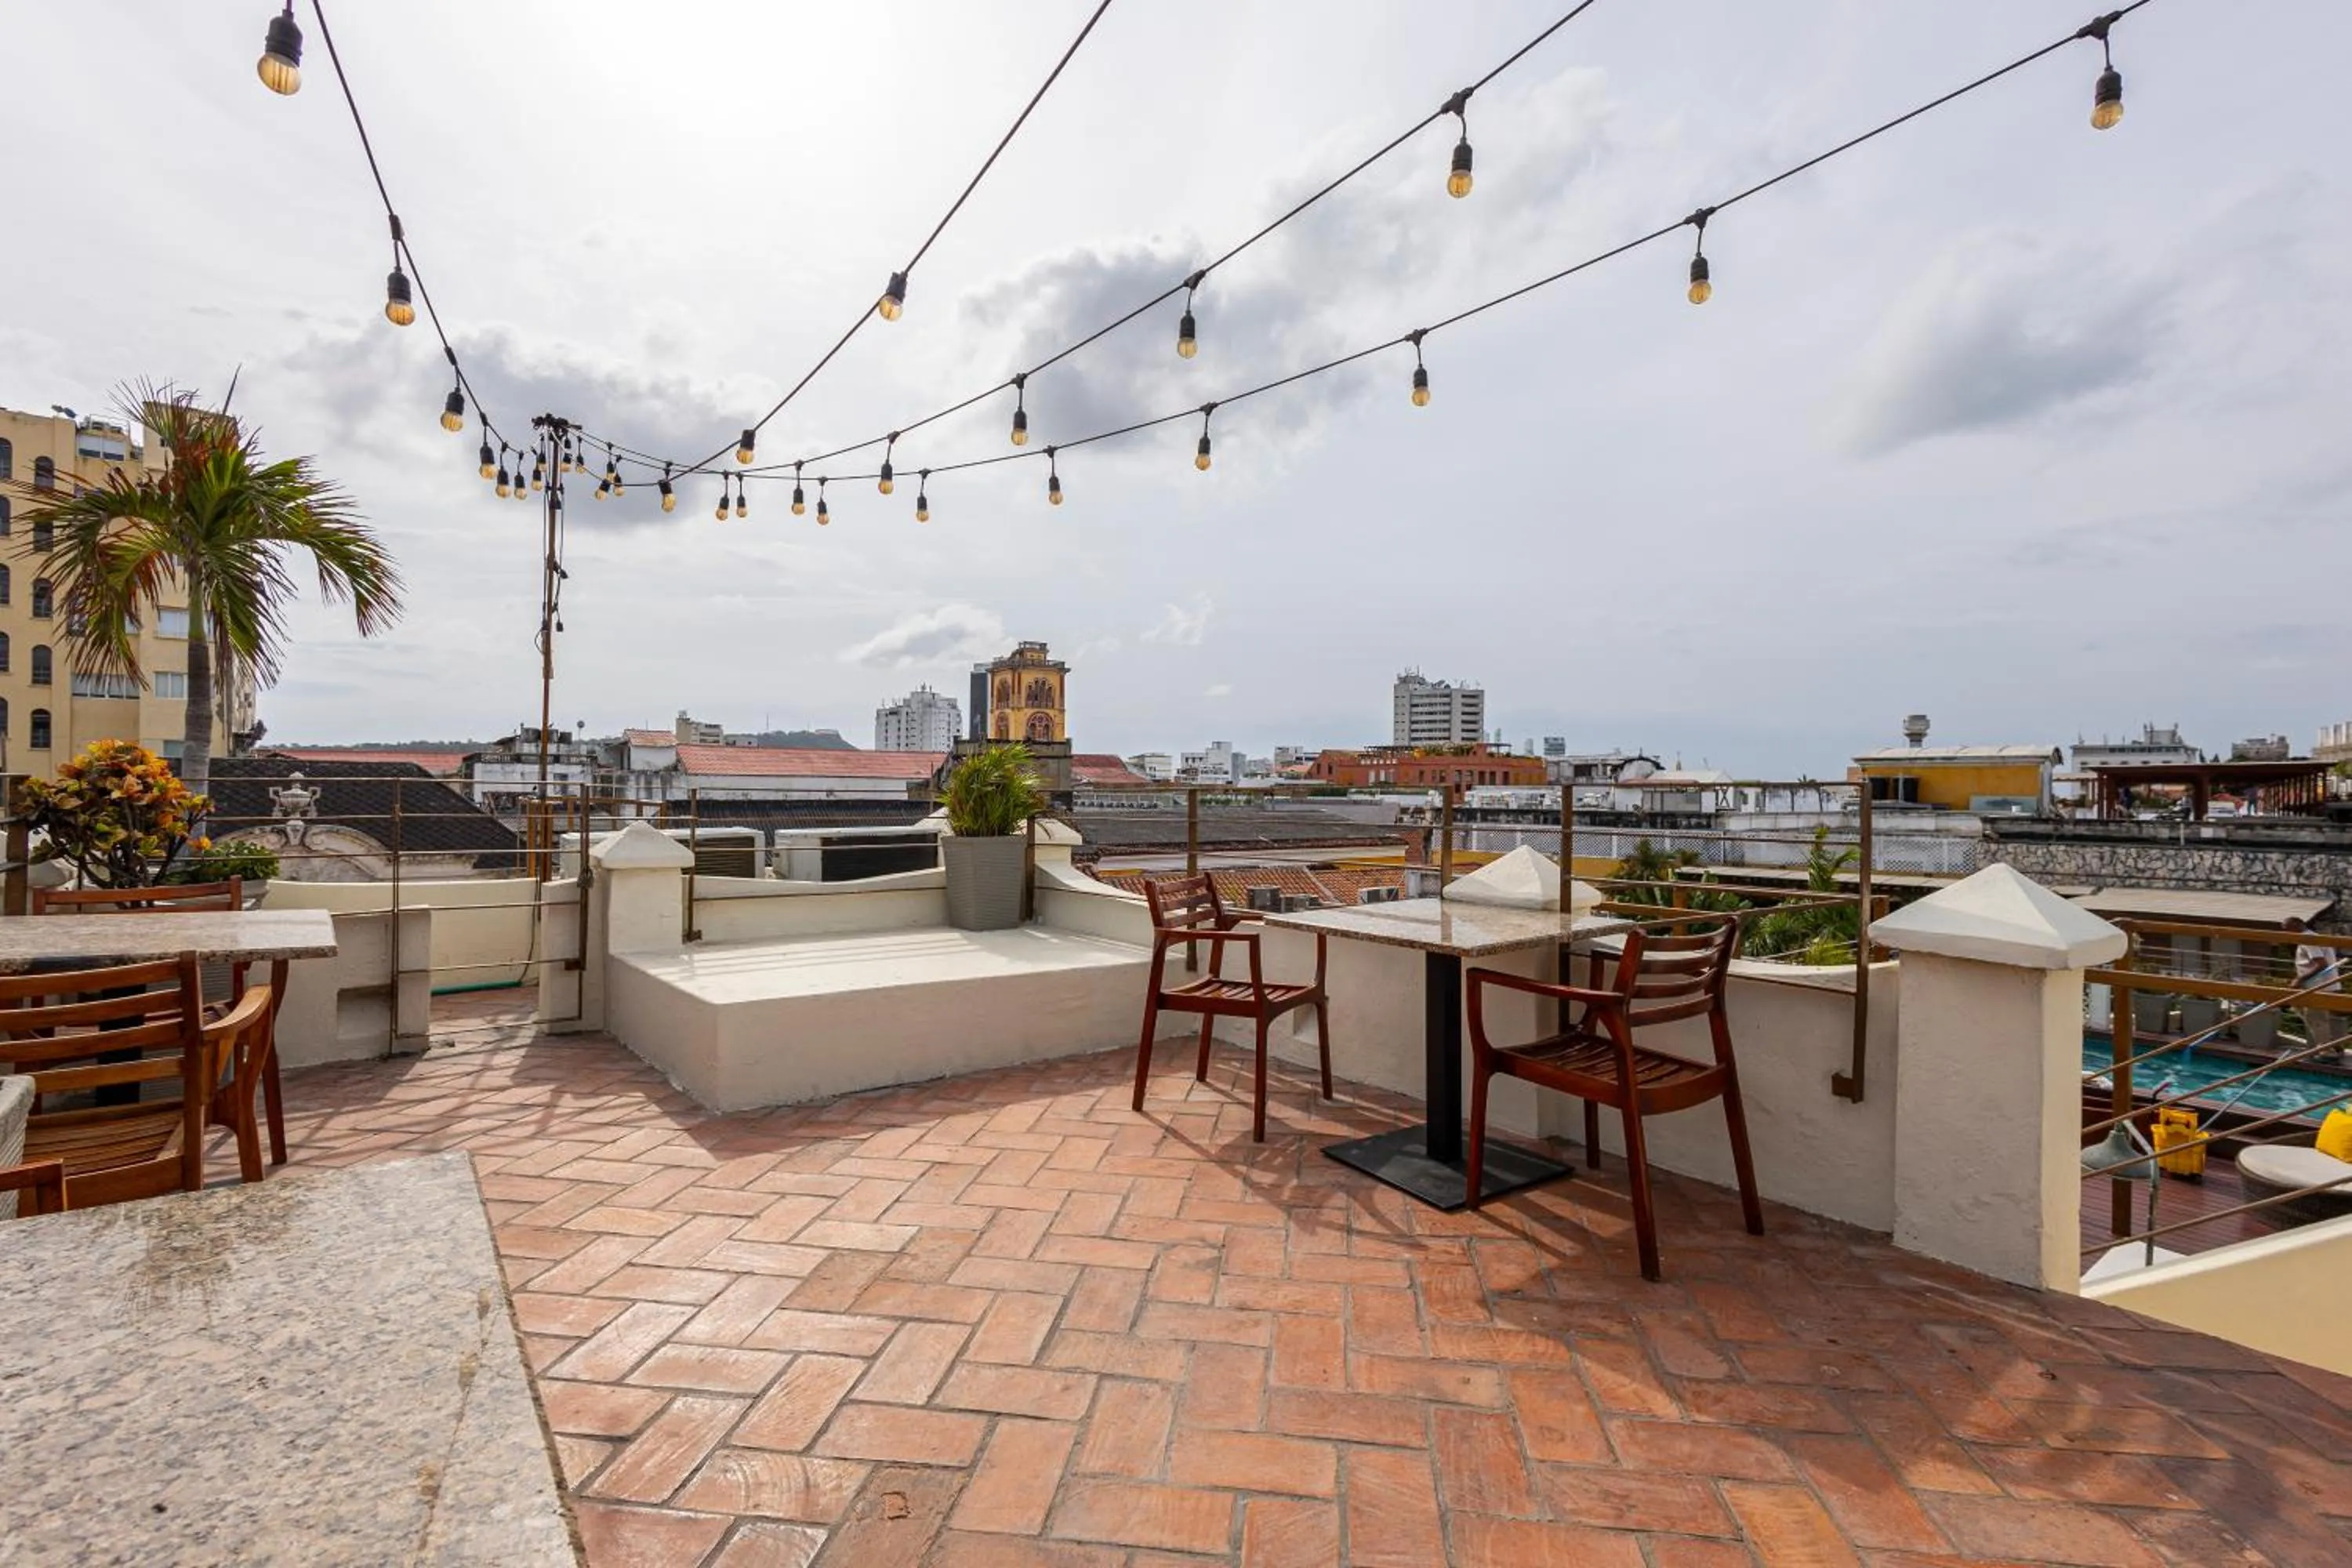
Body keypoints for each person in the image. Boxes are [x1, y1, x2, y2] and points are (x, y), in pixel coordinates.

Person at [2286, 916, 2346, 1059]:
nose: (2287, 933)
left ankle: (2327, 1052)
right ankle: (2332, 1044)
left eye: (2288, 929)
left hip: (2318, 986)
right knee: (2313, 1015)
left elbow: (2321, 964)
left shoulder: (2308, 939)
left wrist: (2300, 979)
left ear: (2298, 925)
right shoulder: (2314, 937)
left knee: (2316, 1018)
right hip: (2324, 984)